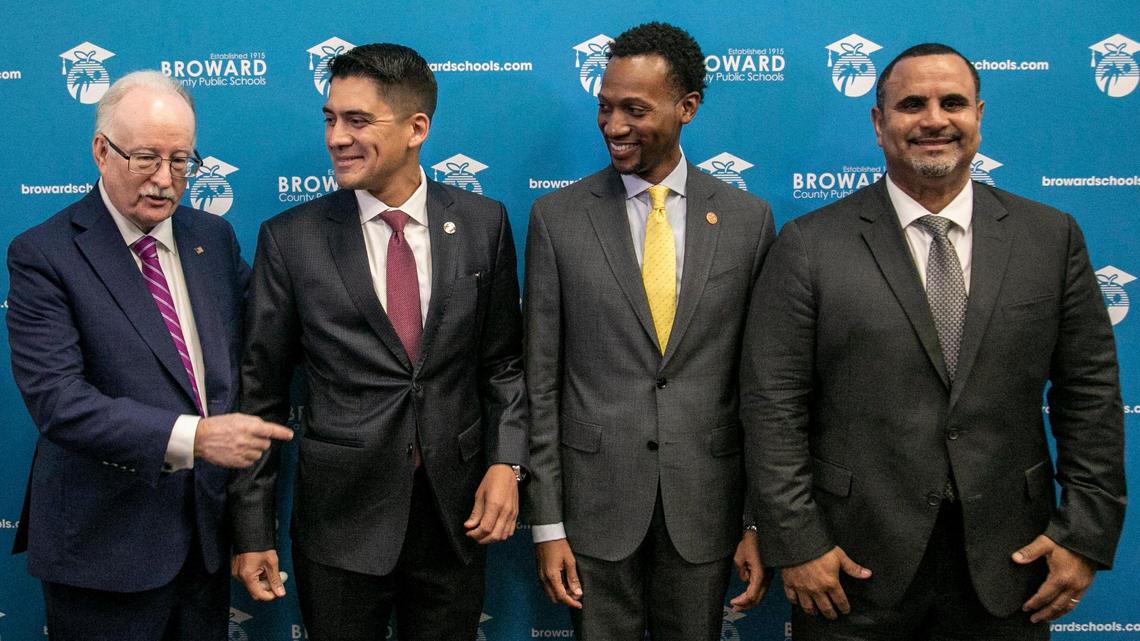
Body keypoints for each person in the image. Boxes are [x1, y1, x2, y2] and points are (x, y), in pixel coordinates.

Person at [743, 43, 1126, 640]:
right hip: (849, 565)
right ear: (878, 123)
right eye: (911, 104)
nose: (933, 120)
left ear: (978, 115)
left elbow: (1092, 398)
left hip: (1012, 560)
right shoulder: (810, 245)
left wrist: (1084, 535)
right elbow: (772, 406)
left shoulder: (1050, 238)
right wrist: (795, 542)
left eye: (952, 103)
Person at [228, 43, 528, 641]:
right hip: (341, 523)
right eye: (330, 119)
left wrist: (507, 461)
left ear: (417, 128)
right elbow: (258, 396)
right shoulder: (290, 240)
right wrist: (252, 530)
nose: (336, 137)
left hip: (455, 517)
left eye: (358, 121)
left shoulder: (483, 222)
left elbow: (503, 364)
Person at [6, 70, 292, 641]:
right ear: (101, 151)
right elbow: (59, 403)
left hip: (202, 549)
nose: (165, 180)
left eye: (182, 161)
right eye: (146, 159)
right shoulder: (44, 254)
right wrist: (196, 437)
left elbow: (272, 341)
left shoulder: (213, 239)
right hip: (101, 554)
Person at [524, 21, 775, 641]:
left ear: (687, 107)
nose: (614, 126)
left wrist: (755, 521)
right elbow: (541, 381)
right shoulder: (557, 219)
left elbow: (764, 386)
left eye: (635, 109)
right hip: (594, 510)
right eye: (605, 108)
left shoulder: (748, 221)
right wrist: (549, 523)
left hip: (707, 508)